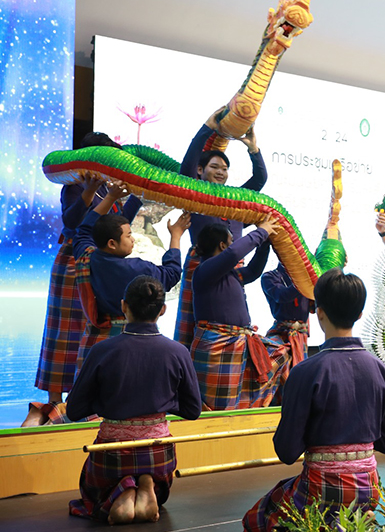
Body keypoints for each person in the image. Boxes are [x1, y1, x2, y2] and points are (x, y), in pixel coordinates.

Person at [242, 269, 385, 532]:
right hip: (369, 487)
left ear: (319, 311)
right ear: (360, 314)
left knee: (256, 522)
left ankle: (329, 531)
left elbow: (287, 451)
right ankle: (353, 523)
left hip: (321, 488)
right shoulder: (380, 371)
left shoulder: (305, 372)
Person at [28, 133, 144, 427]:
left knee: (94, 327)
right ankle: (55, 402)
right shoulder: (75, 184)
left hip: (101, 263)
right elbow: (71, 222)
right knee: (64, 331)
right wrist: (91, 193)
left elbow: (120, 223)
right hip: (73, 262)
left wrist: (139, 193)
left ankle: (83, 399)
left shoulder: (109, 187)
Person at [67, 276, 202, 524]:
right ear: (163, 309)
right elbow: (193, 410)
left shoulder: (101, 350)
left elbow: (74, 410)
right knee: (155, 472)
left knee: (92, 492)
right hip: (158, 453)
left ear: (123, 306)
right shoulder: (178, 352)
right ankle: (148, 483)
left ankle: (122, 490)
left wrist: (105, 403)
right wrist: (164, 403)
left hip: (111, 454)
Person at [173, 109, 268, 347]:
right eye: (215, 167)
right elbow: (186, 168)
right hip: (202, 265)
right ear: (200, 171)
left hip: (233, 269)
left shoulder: (235, 203)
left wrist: (253, 149)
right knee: (192, 327)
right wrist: (207, 128)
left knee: (230, 317)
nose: (220, 172)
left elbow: (260, 179)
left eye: (224, 169)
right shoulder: (195, 196)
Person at [73, 183, 186, 373]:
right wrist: (176, 236)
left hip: (96, 337)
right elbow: (171, 274)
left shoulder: (87, 256)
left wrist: (111, 197)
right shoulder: (136, 269)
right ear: (112, 243)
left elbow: (84, 231)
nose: (133, 239)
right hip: (130, 339)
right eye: (129, 235)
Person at [190, 216, 285, 410]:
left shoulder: (229, 273)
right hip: (218, 346)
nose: (234, 245)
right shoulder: (204, 270)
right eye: (232, 241)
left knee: (280, 354)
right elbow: (234, 253)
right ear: (223, 246)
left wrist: (264, 245)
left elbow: (253, 271)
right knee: (219, 408)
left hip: (237, 344)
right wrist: (262, 231)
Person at [262, 262, 313, 405]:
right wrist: (305, 278)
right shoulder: (269, 276)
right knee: (272, 368)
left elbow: (316, 304)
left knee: (299, 383)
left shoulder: (306, 276)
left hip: (300, 339)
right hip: (281, 334)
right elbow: (282, 295)